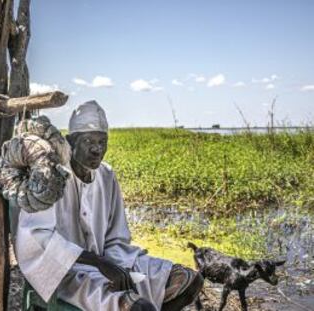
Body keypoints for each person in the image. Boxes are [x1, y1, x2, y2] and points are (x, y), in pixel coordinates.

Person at [15, 101, 203, 311]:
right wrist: (99, 264)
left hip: (110, 260)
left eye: (102, 142)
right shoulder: (50, 178)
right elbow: (37, 238)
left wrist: (117, 264)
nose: (97, 149)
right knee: (139, 308)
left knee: (188, 281)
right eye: (88, 141)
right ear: (70, 142)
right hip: (66, 270)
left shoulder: (106, 175)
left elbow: (116, 236)